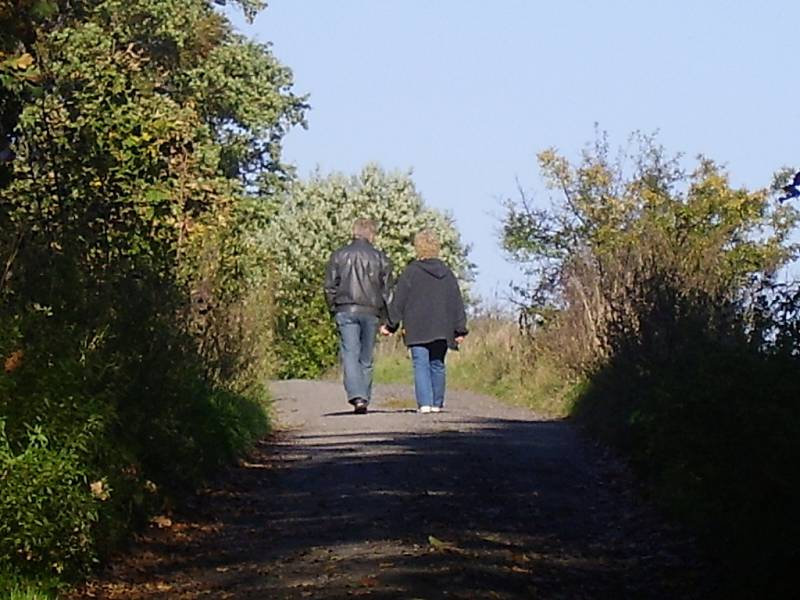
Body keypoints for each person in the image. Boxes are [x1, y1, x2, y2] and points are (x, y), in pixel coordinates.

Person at [382, 229, 467, 413]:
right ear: (437, 247)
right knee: (437, 363)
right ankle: (437, 403)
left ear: (417, 248)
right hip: (442, 327)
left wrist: (391, 325)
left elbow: (399, 301)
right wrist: (459, 330)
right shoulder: (447, 273)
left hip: (417, 327)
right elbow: (456, 302)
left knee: (420, 362)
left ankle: (425, 404)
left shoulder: (411, 272)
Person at [324, 218, 393, 414]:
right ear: (372, 234)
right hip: (371, 311)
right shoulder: (381, 258)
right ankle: (364, 396)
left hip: (345, 310)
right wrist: (388, 319)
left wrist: (333, 308)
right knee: (366, 357)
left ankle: (357, 396)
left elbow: (329, 287)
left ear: (354, 232)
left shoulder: (339, 255)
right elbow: (387, 292)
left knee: (349, 353)